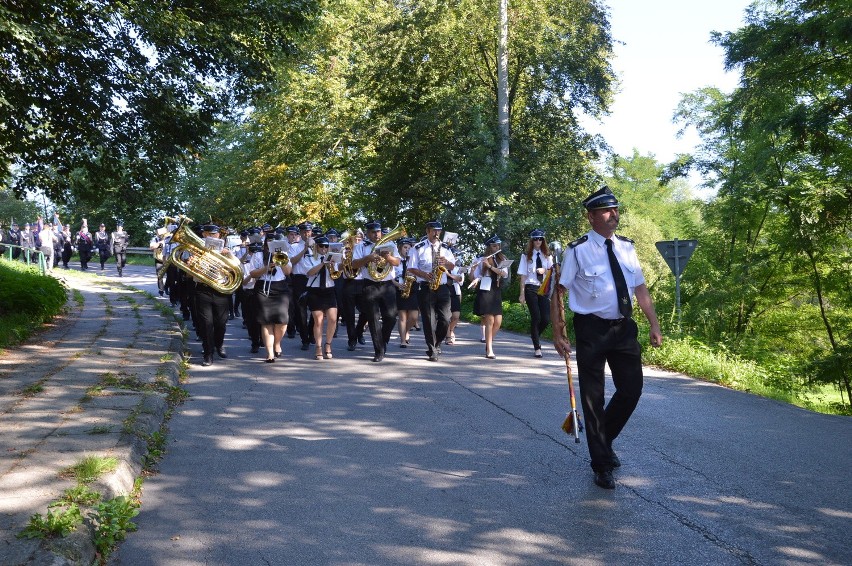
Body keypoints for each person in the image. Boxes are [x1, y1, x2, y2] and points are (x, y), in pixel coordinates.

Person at [552, 185, 663, 490]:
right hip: (591, 329)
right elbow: (558, 292)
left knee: (632, 389)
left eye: (615, 210)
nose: (613, 215)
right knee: (593, 398)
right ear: (591, 217)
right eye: (606, 210)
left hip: (624, 328)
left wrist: (654, 323)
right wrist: (558, 331)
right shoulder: (578, 250)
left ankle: (603, 438)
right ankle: (601, 463)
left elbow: (639, 289)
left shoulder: (627, 247)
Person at [351, 220, 400, 362]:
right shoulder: (361, 246)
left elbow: (397, 262)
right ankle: (378, 350)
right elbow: (354, 264)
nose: (376, 234)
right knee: (373, 319)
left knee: (391, 317)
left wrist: (388, 257)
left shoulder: (390, 245)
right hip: (370, 284)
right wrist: (368, 258)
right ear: (367, 233)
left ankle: (383, 341)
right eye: (373, 232)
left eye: (378, 231)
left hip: (387, 285)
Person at [407, 220, 456, 361]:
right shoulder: (418, 247)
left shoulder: (446, 248)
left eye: (439, 231)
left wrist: (446, 262)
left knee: (446, 319)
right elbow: (411, 267)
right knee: (429, 320)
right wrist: (423, 274)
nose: (436, 233)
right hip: (426, 287)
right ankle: (432, 349)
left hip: (443, 287)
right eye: (434, 230)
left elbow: (452, 266)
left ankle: (438, 343)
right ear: (427, 231)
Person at [192, 224, 234, 366]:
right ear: (204, 234)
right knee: (206, 324)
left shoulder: (226, 250)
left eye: (215, 234)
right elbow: (188, 273)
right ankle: (208, 354)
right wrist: (192, 264)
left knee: (221, 323)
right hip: (203, 289)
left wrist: (228, 255)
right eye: (210, 234)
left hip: (220, 289)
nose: (213, 237)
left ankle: (219, 344)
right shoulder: (196, 249)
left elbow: (237, 268)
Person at [249, 233, 293, 362]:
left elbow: (288, 272)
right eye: (269, 242)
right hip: (263, 287)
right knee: (266, 321)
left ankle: (277, 343)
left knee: (283, 320)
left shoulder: (283, 254)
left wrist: (280, 260)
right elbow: (252, 273)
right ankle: (269, 353)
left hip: (280, 286)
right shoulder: (258, 255)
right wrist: (266, 268)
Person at [518, 229, 554, 358]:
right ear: (531, 240)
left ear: (543, 240)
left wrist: (545, 270)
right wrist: (521, 294)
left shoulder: (548, 255)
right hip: (530, 288)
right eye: (535, 239)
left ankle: (535, 335)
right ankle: (537, 347)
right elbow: (523, 275)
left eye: (540, 239)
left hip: (543, 288)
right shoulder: (526, 255)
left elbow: (552, 272)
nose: (538, 241)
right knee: (536, 317)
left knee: (545, 318)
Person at [472, 236, 509, 359]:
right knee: (490, 320)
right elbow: (474, 277)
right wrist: (473, 269)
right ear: (488, 247)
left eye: (498, 245)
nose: (497, 248)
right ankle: (490, 349)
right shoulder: (481, 259)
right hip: (485, 289)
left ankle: (489, 344)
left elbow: (503, 274)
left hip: (496, 289)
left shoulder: (502, 258)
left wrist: (490, 266)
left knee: (498, 322)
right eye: (494, 246)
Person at [304, 236, 339, 360]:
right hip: (315, 291)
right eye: (321, 246)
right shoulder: (309, 257)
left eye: (326, 246)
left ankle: (328, 344)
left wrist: (334, 266)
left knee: (333, 319)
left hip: (329, 290)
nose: (324, 248)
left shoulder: (333, 258)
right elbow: (309, 273)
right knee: (318, 321)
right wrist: (323, 263)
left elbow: (336, 275)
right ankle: (318, 347)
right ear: (316, 246)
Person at [394, 237, 419, 349]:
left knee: (413, 317)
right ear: (399, 248)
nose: (407, 250)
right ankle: (403, 340)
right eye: (405, 247)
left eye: (409, 247)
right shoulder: (395, 260)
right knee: (402, 317)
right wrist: (398, 285)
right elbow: (390, 277)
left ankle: (406, 331)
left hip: (412, 288)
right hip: (399, 288)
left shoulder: (413, 260)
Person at [445, 246, 465, 346]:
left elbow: (461, 281)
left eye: (456, 255)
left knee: (456, 316)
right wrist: (453, 277)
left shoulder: (458, 268)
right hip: (445, 290)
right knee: (446, 315)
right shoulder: (444, 266)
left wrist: (456, 277)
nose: (455, 257)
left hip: (455, 291)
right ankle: (448, 335)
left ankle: (451, 330)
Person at [150, 227, 168, 294]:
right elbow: (151, 247)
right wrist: (160, 242)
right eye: (158, 232)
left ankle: (166, 287)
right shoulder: (155, 239)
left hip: (167, 259)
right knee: (159, 275)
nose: (159, 234)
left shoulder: (168, 239)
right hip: (159, 259)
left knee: (170, 276)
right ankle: (161, 289)